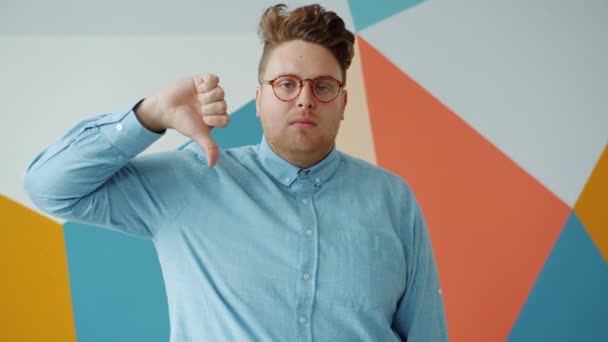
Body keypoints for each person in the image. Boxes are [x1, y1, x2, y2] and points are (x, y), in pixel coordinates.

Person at [24, 3, 447, 341]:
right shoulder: (194, 179)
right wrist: (149, 115)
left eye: (322, 86)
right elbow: (49, 187)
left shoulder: (393, 200)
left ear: (342, 103)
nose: (304, 99)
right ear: (260, 99)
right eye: (286, 84)